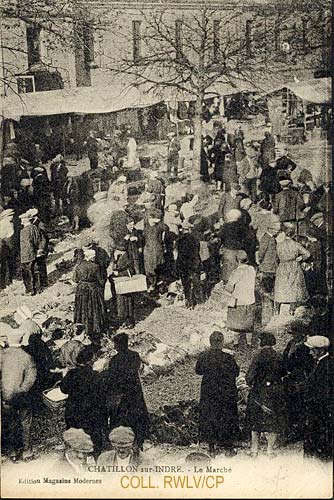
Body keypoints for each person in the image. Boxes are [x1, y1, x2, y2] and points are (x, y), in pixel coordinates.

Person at [195, 331, 240, 457]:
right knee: (227, 415)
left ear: (210, 342)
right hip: (226, 391)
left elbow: (198, 371)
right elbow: (236, 372)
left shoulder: (204, 356)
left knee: (209, 416)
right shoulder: (228, 357)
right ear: (221, 342)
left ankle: (211, 447)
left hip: (209, 391)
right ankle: (228, 447)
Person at [102, 333, 150, 450]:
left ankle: (122, 441)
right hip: (134, 389)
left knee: (121, 416)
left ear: (117, 345)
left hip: (121, 391)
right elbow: (136, 369)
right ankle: (139, 440)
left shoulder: (115, 360)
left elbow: (112, 376)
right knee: (137, 414)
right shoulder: (134, 355)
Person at [60, 346, 107, 456]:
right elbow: (102, 394)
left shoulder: (71, 374)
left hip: (73, 410)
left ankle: (77, 458)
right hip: (91, 412)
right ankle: (95, 458)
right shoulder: (95, 376)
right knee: (94, 438)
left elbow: (63, 389)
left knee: (75, 438)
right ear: (90, 361)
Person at [246, 332, 286, 458]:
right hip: (275, 390)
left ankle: (254, 450)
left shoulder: (258, 356)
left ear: (262, 342)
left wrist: (249, 381)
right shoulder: (278, 355)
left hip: (259, 390)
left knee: (255, 420)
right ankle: (269, 450)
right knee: (273, 420)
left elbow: (250, 376)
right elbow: (284, 372)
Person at [1, 328, 36, 461]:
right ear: (21, 340)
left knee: (10, 423)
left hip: (6, 395)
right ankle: (27, 452)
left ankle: (12, 452)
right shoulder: (27, 357)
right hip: (22, 397)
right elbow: (31, 379)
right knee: (25, 424)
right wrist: (22, 390)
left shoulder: (2, 355)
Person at [282, 322, 314, 441]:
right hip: (290, 378)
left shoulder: (307, 347)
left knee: (299, 404)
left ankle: (299, 431)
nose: (294, 336)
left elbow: (307, 365)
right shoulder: (291, 343)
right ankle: (292, 429)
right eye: (293, 334)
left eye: (296, 333)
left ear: (302, 333)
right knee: (290, 404)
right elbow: (285, 357)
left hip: (300, 378)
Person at [303, 336, 333, 460]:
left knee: (319, 439)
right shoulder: (320, 363)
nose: (310, 353)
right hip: (317, 409)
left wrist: (310, 401)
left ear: (320, 350)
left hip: (320, 411)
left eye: (312, 350)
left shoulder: (326, 366)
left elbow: (324, 393)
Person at [73, 248, 107, 342]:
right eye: (93, 257)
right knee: (93, 308)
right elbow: (101, 281)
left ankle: (82, 328)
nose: (94, 258)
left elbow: (74, 279)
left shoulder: (79, 266)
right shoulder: (96, 267)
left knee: (82, 308)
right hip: (92, 290)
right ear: (90, 257)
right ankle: (94, 329)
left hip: (81, 289)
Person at [274, 227, 310, 315]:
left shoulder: (279, 245)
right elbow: (308, 254)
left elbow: (275, 258)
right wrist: (301, 258)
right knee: (294, 288)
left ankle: (276, 310)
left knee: (280, 287)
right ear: (293, 235)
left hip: (282, 266)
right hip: (294, 266)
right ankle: (291, 310)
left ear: (285, 234)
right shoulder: (296, 244)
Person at [225, 250, 256, 348]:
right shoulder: (252, 269)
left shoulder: (236, 272)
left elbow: (229, 288)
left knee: (236, 324)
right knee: (249, 324)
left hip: (239, 301)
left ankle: (236, 343)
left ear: (237, 260)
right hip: (250, 300)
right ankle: (249, 343)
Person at [256, 216, 281, 322]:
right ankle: (268, 315)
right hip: (267, 268)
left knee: (272, 291)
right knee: (267, 292)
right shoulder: (266, 238)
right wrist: (260, 262)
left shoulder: (271, 238)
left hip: (272, 267)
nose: (277, 232)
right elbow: (261, 253)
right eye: (276, 230)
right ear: (271, 229)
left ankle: (273, 312)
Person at [176, 221, 203, 308]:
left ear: (182, 229)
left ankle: (189, 302)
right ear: (190, 229)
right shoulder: (195, 239)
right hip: (194, 263)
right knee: (196, 282)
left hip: (183, 263)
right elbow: (197, 251)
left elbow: (177, 252)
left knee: (186, 283)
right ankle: (200, 301)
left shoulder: (179, 240)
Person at [19, 208, 42, 296]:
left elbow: (26, 245)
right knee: (35, 271)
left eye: (22, 220)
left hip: (27, 255)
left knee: (27, 273)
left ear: (25, 220)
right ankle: (38, 288)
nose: (21, 222)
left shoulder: (24, 231)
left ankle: (30, 290)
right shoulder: (35, 228)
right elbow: (40, 240)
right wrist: (38, 251)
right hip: (36, 253)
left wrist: (25, 256)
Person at [143, 209, 164, 291]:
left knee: (157, 266)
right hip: (149, 249)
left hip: (156, 248)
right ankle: (152, 283)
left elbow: (160, 239)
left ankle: (156, 284)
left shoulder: (158, 228)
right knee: (149, 267)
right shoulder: (146, 228)